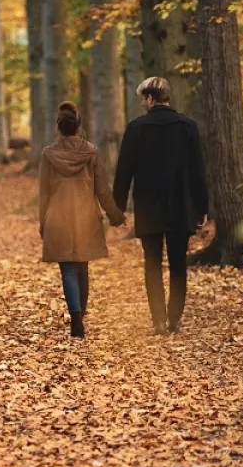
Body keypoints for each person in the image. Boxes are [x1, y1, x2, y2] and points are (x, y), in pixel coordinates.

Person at [112, 76, 208, 335]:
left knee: (152, 264)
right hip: (181, 206)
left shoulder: (136, 128)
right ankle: (174, 319)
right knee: (178, 264)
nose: (142, 103)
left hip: (149, 208)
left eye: (143, 98)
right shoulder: (188, 127)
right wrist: (202, 207)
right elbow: (198, 171)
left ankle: (158, 321)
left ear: (150, 98)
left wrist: (117, 209)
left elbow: (124, 172)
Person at [39, 102, 126, 338]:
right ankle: (82, 313)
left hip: (58, 216)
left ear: (59, 128)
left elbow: (44, 193)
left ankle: (76, 317)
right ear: (78, 126)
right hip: (86, 216)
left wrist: (43, 223)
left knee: (67, 270)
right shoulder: (91, 152)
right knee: (82, 266)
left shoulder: (48, 154)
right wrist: (115, 215)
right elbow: (102, 189)